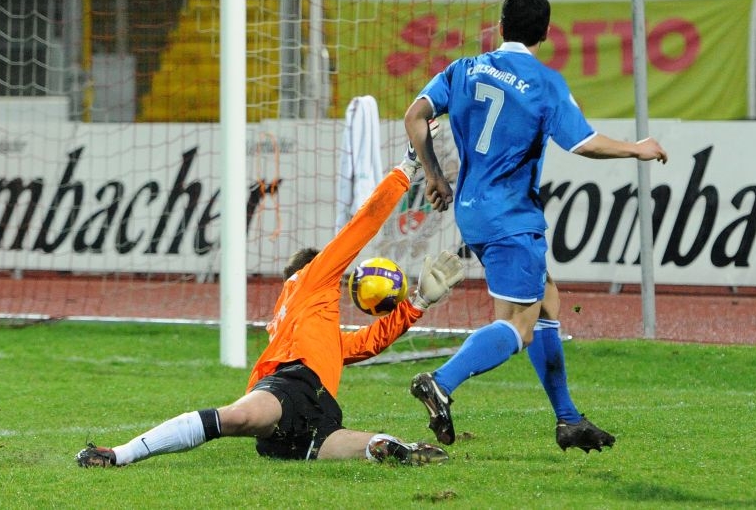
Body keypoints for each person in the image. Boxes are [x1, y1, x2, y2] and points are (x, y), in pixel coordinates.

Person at [403, 0, 668, 452]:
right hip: (511, 216)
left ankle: (568, 419)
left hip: (472, 210)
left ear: (500, 28)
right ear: (545, 35)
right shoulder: (545, 83)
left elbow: (415, 116)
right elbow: (583, 143)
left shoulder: (464, 68)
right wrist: (636, 148)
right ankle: (441, 382)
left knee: (547, 300)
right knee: (518, 326)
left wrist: (434, 175)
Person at [76, 152, 465, 468]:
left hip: (292, 389)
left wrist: (417, 302)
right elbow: (361, 230)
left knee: (235, 419)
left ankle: (119, 454)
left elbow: (363, 344)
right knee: (330, 444)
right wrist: (406, 170)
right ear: (313, 269)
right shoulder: (313, 284)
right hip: (312, 399)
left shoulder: (293, 323)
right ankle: (389, 445)